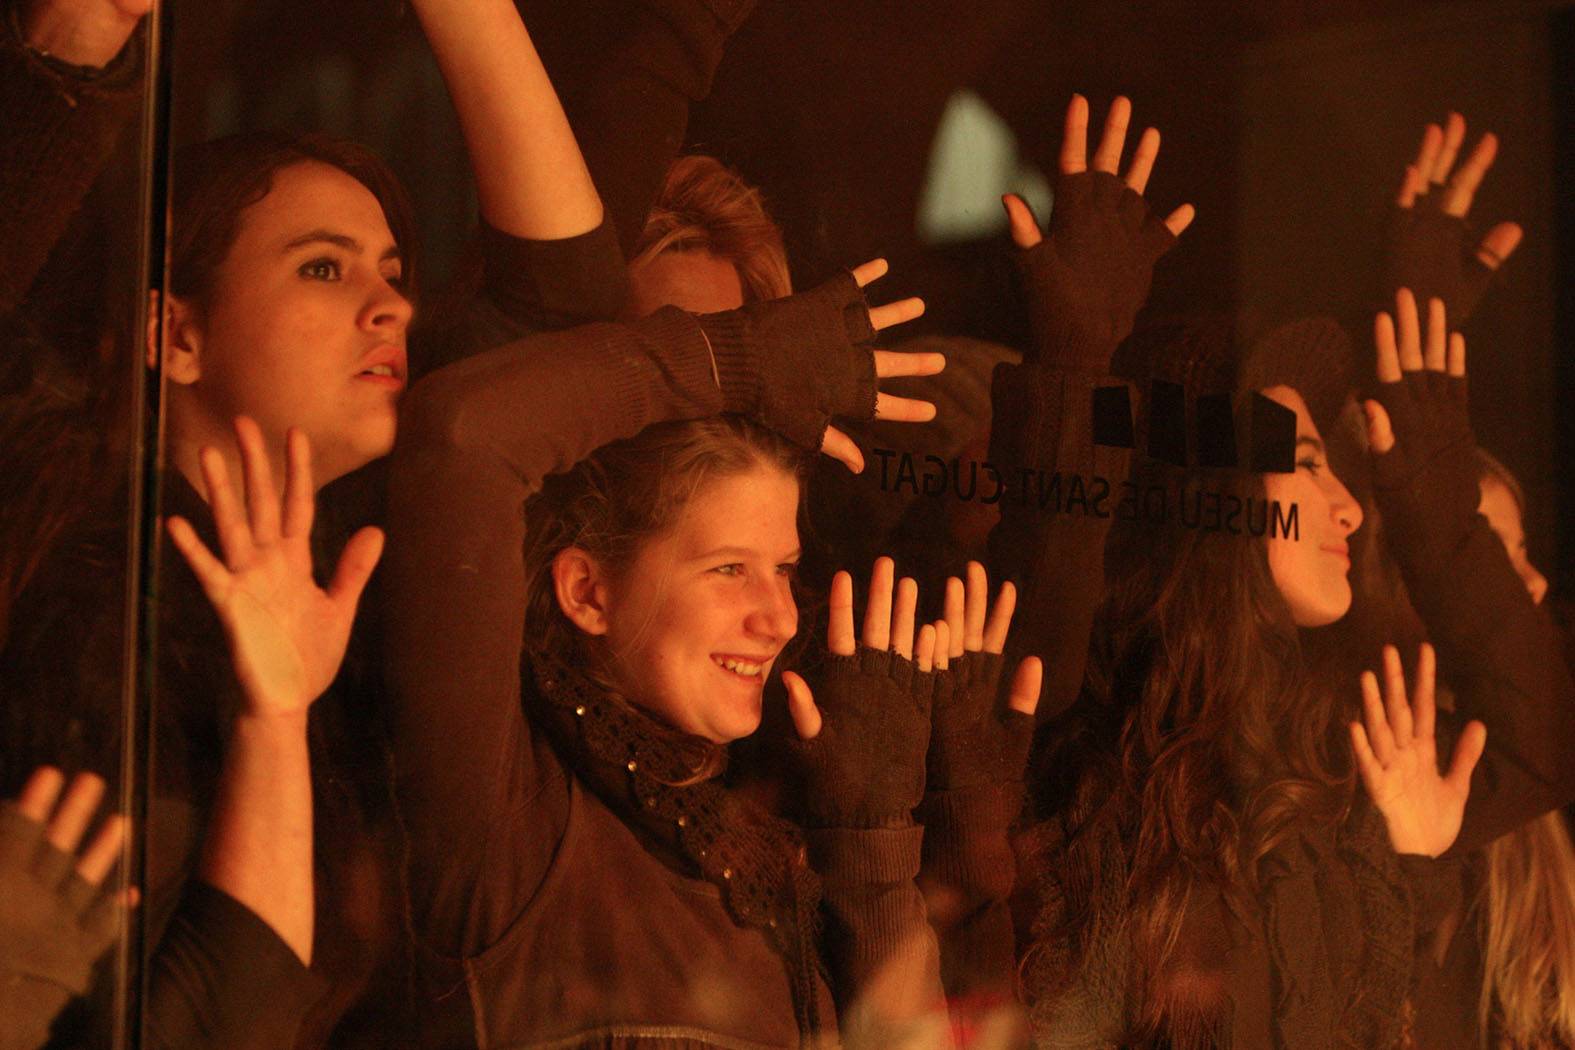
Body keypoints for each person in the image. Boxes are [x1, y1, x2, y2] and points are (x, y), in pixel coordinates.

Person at [380, 248, 1006, 1044]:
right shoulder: (509, 823)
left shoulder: (767, 845)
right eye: (728, 569)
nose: (779, 618)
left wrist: (873, 830)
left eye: (783, 569)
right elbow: (462, 440)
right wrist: (731, 358)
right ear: (587, 592)